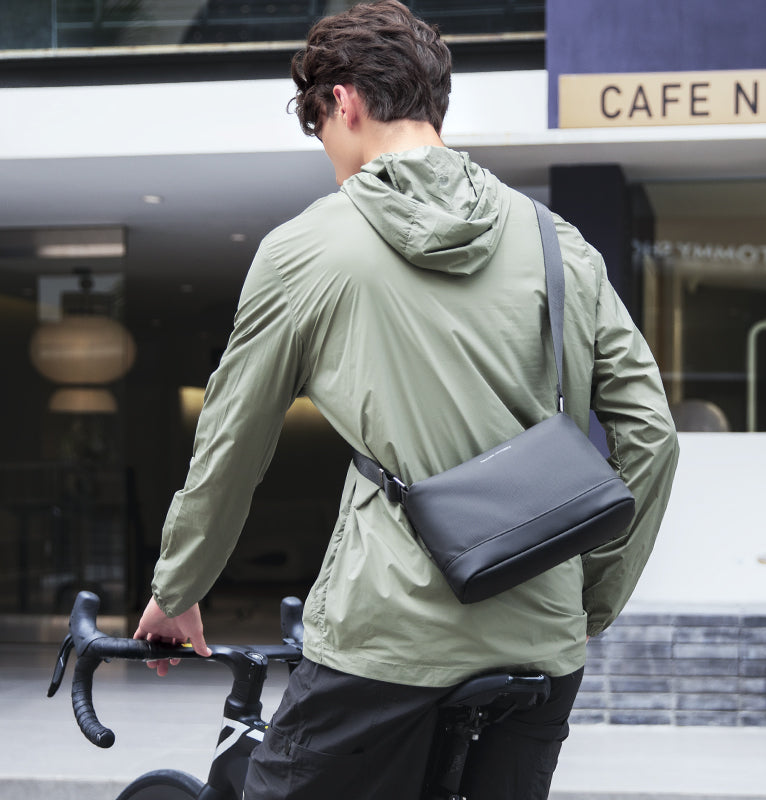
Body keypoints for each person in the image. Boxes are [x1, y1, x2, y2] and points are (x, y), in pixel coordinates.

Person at [133, 2, 680, 798]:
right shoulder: (558, 242)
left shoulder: (306, 249)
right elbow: (652, 437)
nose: (328, 155)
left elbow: (232, 442)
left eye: (320, 129)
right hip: (541, 644)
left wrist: (178, 590)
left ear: (344, 101)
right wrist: (584, 602)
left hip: (383, 638)